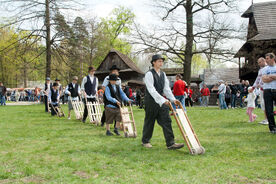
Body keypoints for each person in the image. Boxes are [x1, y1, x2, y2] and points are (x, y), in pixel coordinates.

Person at [142, 54, 184, 150]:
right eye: (159, 61)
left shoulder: (163, 74)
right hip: (151, 102)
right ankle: (145, 141)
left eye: (162, 61)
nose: (161, 63)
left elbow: (166, 89)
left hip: (162, 101)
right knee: (150, 121)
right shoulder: (149, 74)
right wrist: (163, 100)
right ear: (154, 62)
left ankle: (170, 143)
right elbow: (151, 90)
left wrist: (173, 99)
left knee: (167, 120)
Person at [262, 53, 276, 134]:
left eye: (267, 58)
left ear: (272, 58)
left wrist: (269, 76)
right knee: (269, 110)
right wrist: (274, 77)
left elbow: (267, 78)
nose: (266, 60)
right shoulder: (264, 69)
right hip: (267, 91)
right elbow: (264, 79)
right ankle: (272, 128)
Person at [253, 57, 268, 125]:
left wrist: (261, 84)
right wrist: (253, 87)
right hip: (261, 89)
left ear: (264, 61)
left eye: (260, 62)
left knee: (266, 103)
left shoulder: (269, 68)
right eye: (258, 63)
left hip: (267, 88)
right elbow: (258, 79)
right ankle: (266, 119)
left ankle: (268, 119)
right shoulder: (260, 70)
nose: (259, 64)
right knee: (263, 104)